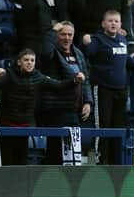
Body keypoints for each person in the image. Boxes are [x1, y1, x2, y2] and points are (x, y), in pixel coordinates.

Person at [0, 48, 85, 165]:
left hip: (24, 127)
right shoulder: (9, 75)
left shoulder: (38, 77)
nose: (29, 63)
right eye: (26, 60)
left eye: (32, 60)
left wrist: (75, 80)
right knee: (5, 164)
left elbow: (58, 86)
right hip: (7, 126)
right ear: (19, 62)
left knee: (21, 164)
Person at [39, 21, 93, 164]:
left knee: (72, 152)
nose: (67, 38)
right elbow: (45, 54)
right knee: (55, 151)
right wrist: (51, 31)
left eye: (70, 35)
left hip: (74, 110)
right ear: (57, 35)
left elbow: (85, 79)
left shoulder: (78, 53)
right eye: (63, 34)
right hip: (56, 109)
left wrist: (88, 101)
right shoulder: (52, 51)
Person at [82, 10, 129, 164]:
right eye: (110, 21)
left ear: (121, 24)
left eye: (116, 21)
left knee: (118, 126)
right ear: (103, 24)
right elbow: (88, 53)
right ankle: (102, 160)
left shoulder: (123, 39)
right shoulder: (98, 39)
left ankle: (116, 161)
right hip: (103, 89)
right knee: (104, 125)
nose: (113, 23)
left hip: (121, 89)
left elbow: (127, 61)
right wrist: (86, 41)